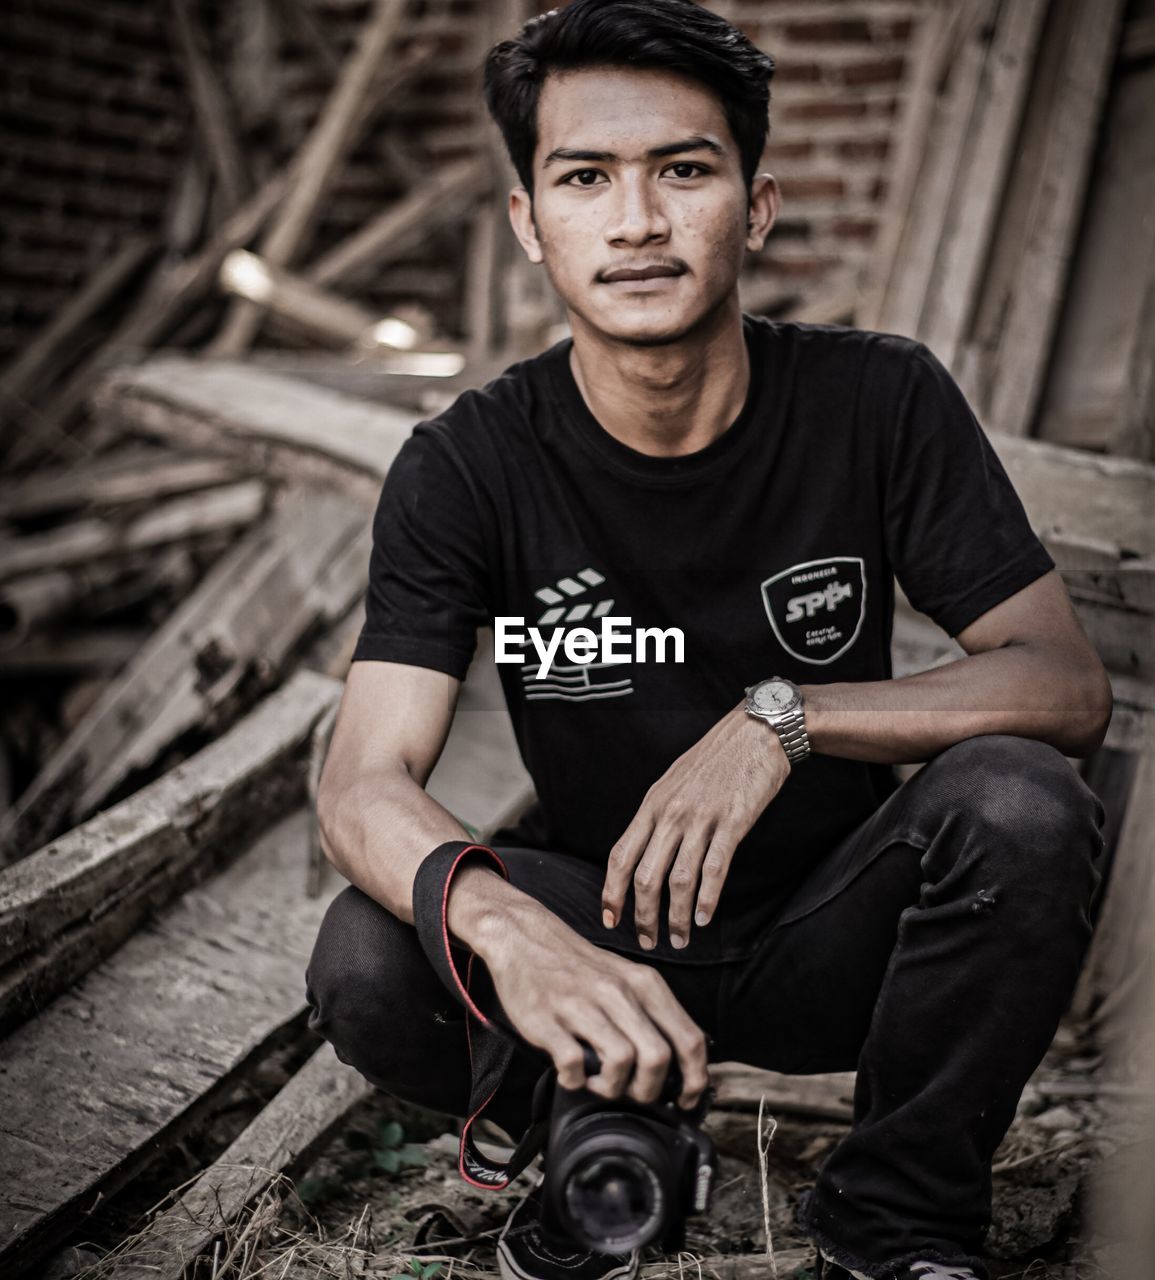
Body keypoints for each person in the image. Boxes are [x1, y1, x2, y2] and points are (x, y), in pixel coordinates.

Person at [304, 3, 1112, 1279]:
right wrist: (520, 934)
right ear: (529, 221)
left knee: (1022, 804)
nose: (636, 221)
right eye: (584, 178)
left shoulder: (878, 399)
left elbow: (1062, 682)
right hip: (605, 937)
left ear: (758, 202)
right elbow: (359, 780)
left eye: (683, 170)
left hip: (837, 928)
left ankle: (893, 1216)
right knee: (366, 950)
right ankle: (603, 1151)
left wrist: (783, 718)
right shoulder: (466, 464)